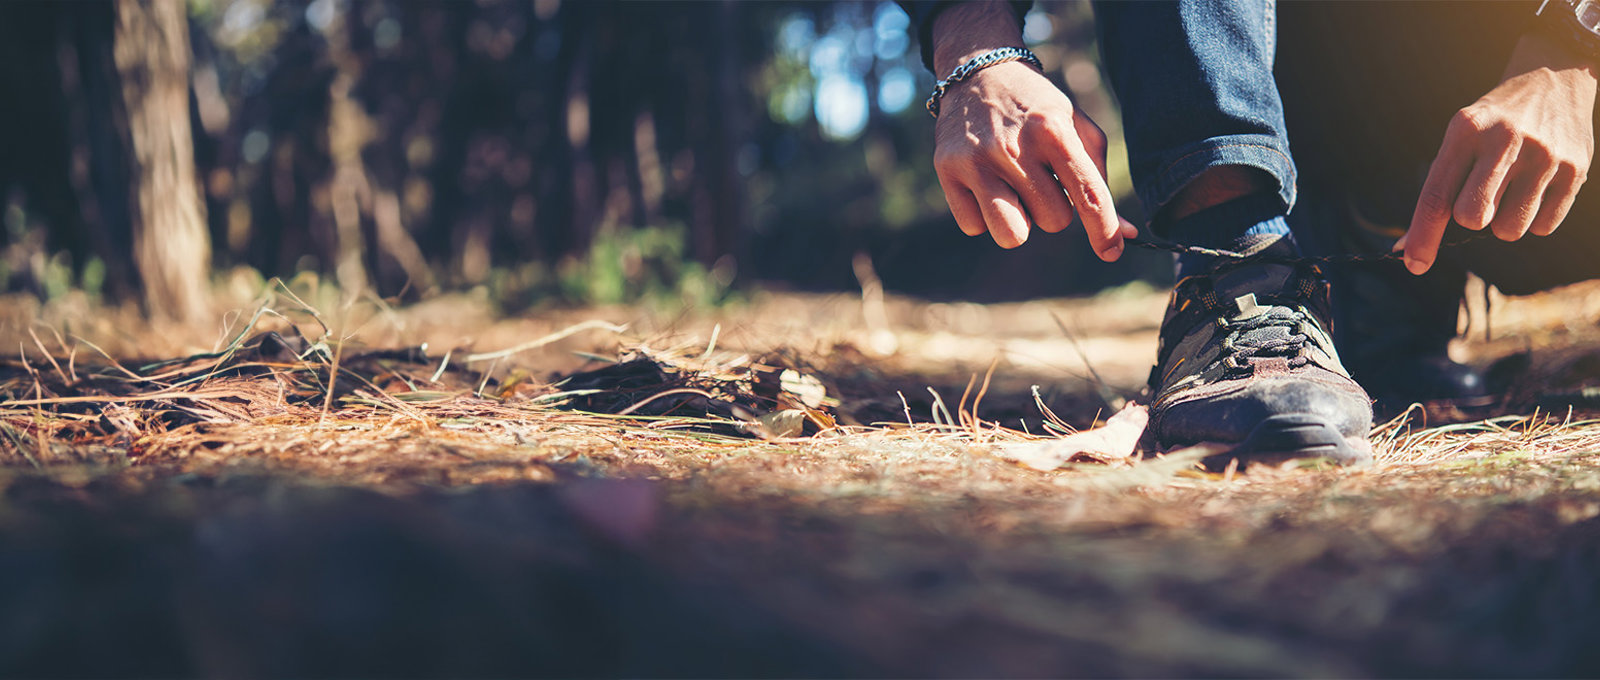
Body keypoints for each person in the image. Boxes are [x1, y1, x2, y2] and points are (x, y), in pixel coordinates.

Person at [904, 0, 1598, 465]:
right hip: (1267, 69)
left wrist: (1571, 48)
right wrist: (978, 47)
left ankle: (1383, 258)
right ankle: (1242, 259)